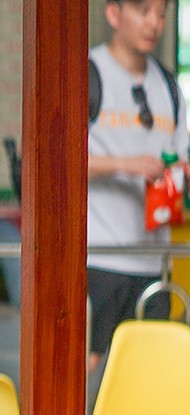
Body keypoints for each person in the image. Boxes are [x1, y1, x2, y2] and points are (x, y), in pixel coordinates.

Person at [86, 0, 187, 370]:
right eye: (143, 12)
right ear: (114, 14)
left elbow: (179, 158)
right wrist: (126, 166)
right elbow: (57, 164)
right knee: (83, 372)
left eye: (160, 15)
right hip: (97, 258)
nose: (154, 24)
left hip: (152, 264)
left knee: (146, 378)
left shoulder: (169, 88)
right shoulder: (87, 74)